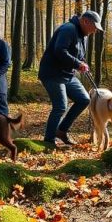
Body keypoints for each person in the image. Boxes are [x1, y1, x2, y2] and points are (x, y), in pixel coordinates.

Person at [38, 10, 103, 147]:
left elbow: (77, 54)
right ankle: (49, 140)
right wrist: (78, 63)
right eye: (94, 27)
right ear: (85, 21)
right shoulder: (68, 29)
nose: (95, 31)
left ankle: (61, 131)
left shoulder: (82, 35)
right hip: (52, 74)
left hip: (67, 74)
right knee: (61, 106)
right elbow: (60, 50)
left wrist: (82, 62)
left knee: (84, 99)